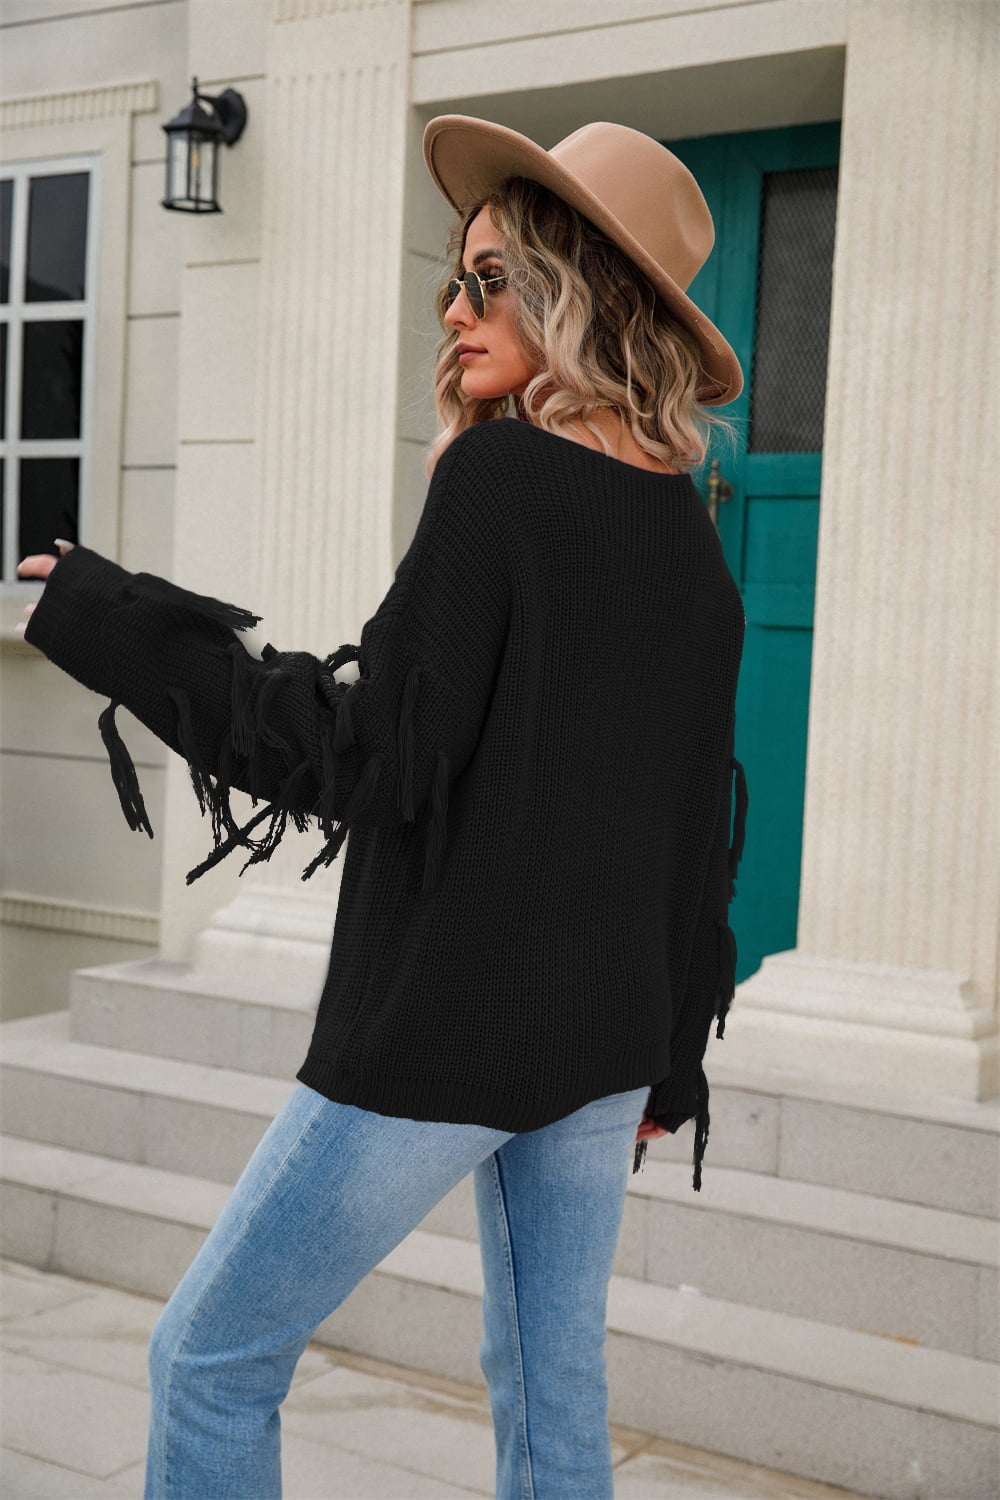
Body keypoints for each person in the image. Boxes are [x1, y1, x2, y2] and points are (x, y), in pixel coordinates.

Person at [16, 114, 749, 1500]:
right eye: (457, 279)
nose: (456, 309)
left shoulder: (501, 481)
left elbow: (357, 753)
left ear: (580, 290)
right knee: (552, 1407)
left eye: (492, 279)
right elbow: (689, 832)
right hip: (606, 1041)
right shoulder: (689, 536)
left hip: (448, 1033)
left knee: (209, 1361)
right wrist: (673, 1061)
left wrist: (113, 618)